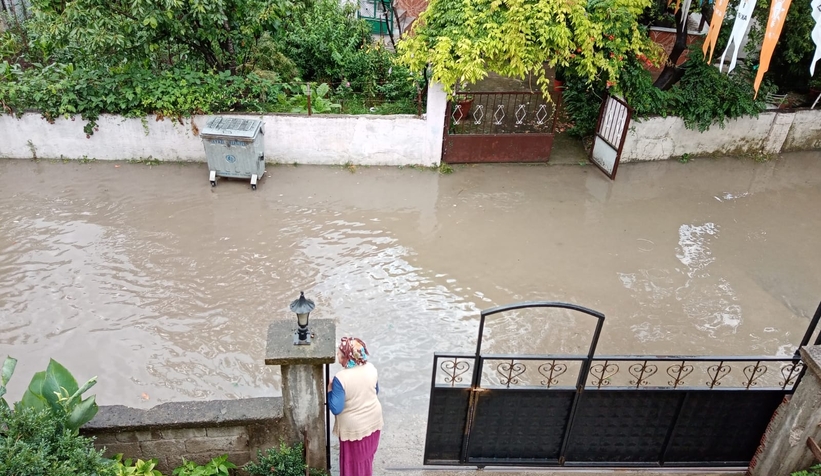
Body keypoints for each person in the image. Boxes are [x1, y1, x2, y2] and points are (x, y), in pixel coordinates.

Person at [327, 336, 383, 476]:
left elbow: (336, 408)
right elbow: (375, 391)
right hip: (374, 421)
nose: (338, 355)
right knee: (366, 458)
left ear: (347, 357)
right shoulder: (371, 368)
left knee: (353, 463)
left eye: (340, 353)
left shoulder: (341, 378)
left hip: (354, 428)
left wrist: (329, 390)